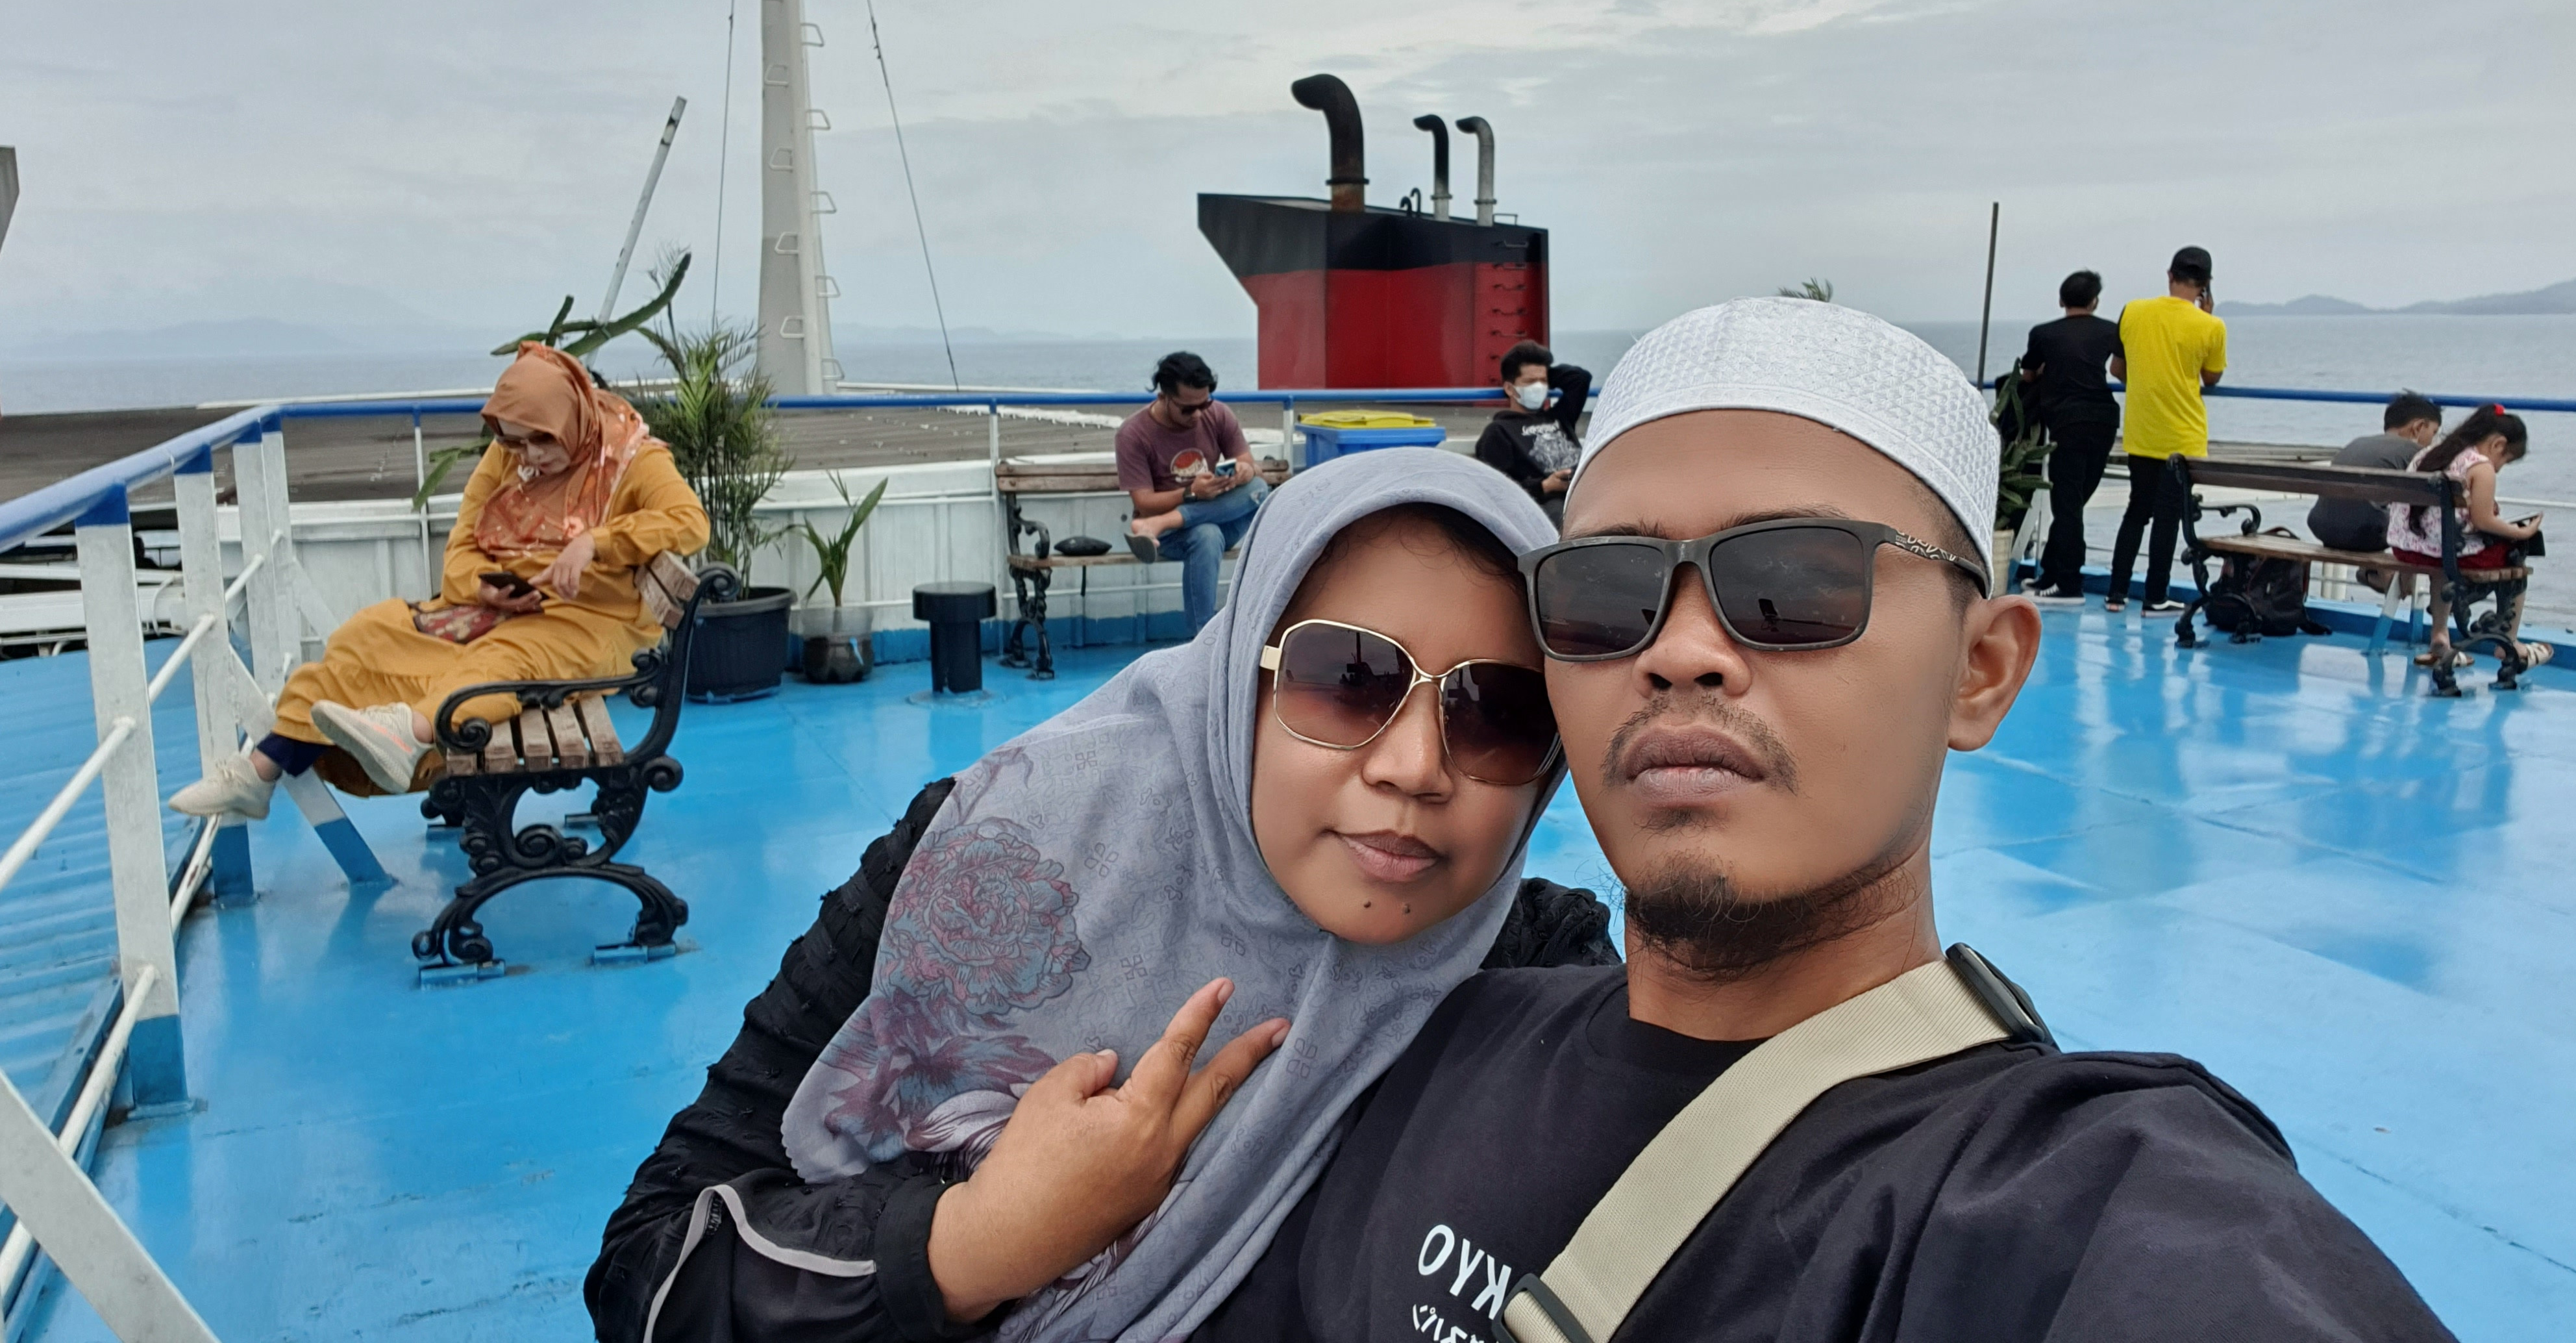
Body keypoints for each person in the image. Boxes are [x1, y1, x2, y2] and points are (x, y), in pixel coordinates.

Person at [1184, 298, 2449, 1341]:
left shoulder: (2062, 1205)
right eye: (1606, 593)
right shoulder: (1413, 1035)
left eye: (1792, 583)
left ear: (1980, 671)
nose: (1679, 650)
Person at [584, 448, 1618, 1342]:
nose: (1415, 767)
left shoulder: (1543, 986)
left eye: (1498, 711)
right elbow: (647, 1269)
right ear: (1240, 683)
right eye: (1349, 678)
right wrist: (972, 1244)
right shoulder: (993, 849)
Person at [168, 344, 708, 816]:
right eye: (517, 444)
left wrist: (595, 542)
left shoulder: (633, 460)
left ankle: (410, 733)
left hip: (588, 623)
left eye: (541, 443)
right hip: (504, 611)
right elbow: (464, 541)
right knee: (369, 633)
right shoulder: (509, 456)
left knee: (500, 664)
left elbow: (689, 522)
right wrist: (482, 587)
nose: (529, 458)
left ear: (571, 418)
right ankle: (259, 775)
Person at [2106, 246, 2227, 614]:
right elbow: (2211, 377)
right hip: (2183, 436)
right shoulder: (2211, 326)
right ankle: (2155, 596)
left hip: (2142, 430)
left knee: (2136, 511)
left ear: (2170, 276)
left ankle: (2116, 593)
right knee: (2167, 518)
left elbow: (2116, 369)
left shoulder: (2133, 311)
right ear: (2205, 285)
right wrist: (2206, 317)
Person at [1119, 351, 1269, 634]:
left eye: (1205, 404)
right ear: (1163, 397)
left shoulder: (1219, 414)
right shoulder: (1133, 434)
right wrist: (1191, 492)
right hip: (1169, 537)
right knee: (1207, 535)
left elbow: (1250, 466)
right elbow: (1144, 503)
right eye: (1188, 409)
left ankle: (1158, 524)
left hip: (1211, 516)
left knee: (1259, 488)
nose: (1199, 414)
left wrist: (1246, 471)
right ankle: (1203, 641)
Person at [2388, 403, 2545, 673]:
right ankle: (2508, 642)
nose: (2500, 468)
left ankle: (2440, 635)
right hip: (2446, 551)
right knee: (2517, 556)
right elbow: (2483, 521)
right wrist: (2523, 532)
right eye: (2505, 460)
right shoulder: (2480, 466)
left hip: (2408, 547)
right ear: (2498, 444)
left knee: (2444, 558)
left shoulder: (2432, 453)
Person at [2015, 270, 2122, 603]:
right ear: (2095, 301)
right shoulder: (2111, 331)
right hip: (2104, 420)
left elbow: (2028, 374)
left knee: (2068, 504)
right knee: (2072, 503)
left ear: (2061, 300)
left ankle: (2069, 584)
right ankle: (2052, 572)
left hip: (2067, 423)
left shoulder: (2044, 334)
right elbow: (2121, 368)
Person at [2309, 392, 2442, 591]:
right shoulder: (2415, 453)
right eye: (2433, 432)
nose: (2433, 441)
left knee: (2376, 512)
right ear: (2418, 427)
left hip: (2323, 530)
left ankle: (2376, 573)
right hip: (2367, 536)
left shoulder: (2356, 443)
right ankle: (2402, 583)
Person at [1470, 340, 1591, 527]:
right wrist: (1544, 486)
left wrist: (1543, 373)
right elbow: (1496, 491)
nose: (1538, 387)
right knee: (1561, 516)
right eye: (1530, 382)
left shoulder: (1560, 416)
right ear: (1509, 388)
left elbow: (1580, 378)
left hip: (1584, 491)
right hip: (1547, 503)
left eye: (1543, 382)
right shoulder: (1499, 431)